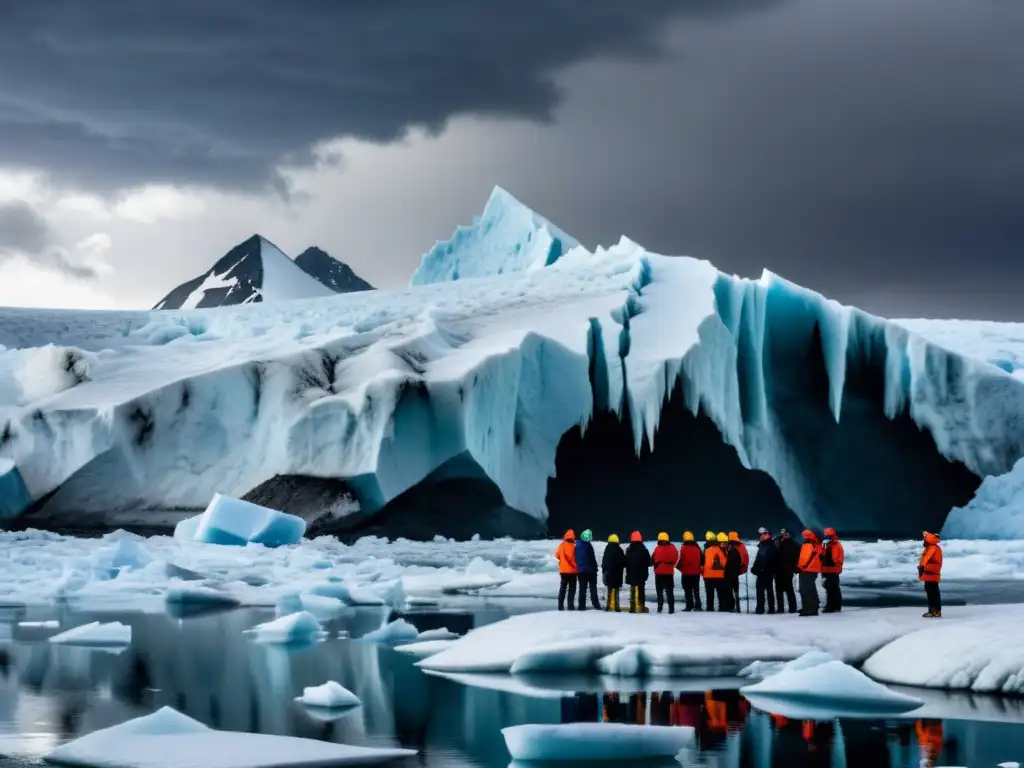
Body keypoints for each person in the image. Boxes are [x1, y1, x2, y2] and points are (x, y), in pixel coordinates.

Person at [751, 527, 778, 614]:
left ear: (769, 535)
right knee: (759, 591)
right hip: (761, 572)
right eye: (761, 535)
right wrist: (755, 568)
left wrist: (771, 570)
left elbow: (774, 560)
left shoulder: (772, 546)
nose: (762, 536)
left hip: (768, 572)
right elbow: (758, 558)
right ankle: (760, 608)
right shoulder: (761, 546)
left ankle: (771, 608)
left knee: (769, 590)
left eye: (764, 534)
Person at [796, 529, 822, 616]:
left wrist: (801, 567)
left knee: (805, 589)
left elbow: (806, 558)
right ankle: (812, 607)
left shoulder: (808, 545)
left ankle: (809, 608)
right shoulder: (816, 544)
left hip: (807, 570)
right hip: (812, 569)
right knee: (811, 589)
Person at [652, 532, 679, 613]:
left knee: (659, 591)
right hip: (669, 573)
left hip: (659, 573)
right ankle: (671, 609)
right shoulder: (673, 548)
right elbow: (676, 558)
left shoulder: (657, 549)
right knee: (669, 591)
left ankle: (660, 607)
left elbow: (652, 559)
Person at [625, 530, 651, 613]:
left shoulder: (629, 550)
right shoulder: (644, 550)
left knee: (633, 589)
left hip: (631, 574)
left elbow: (625, 562)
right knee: (641, 590)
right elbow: (649, 562)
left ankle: (632, 607)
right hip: (641, 574)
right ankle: (641, 606)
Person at [575, 529, 601, 610]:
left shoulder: (577, 546)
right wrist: (595, 568)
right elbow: (591, 559)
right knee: (593, 589)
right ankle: (596, 605)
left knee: (582, 589)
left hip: (581, 571)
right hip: (590, 571)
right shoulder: (588, 546)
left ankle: (581, 606)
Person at [774, 528, 799, 614]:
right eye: (784, 533)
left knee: (789, 589)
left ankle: (792, 608)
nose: (785, 535)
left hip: (788, 570)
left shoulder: (794, 545)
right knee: (778, 590)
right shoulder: (777, 543)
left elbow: (797, 558)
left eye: (787, 534)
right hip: (778, 569)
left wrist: (794, 567)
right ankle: (780, 608)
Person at [919, 531, 943, 618]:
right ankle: (936, 610)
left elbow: (926, 559)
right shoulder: (934, 547)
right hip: (932, 573)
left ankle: (934, 610)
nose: (923, 541)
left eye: (924, 540)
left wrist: (921, 567)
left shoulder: (932, 548)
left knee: (932, 591)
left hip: (931, 573)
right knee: (933, 590)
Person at [677, 531, 703, 611]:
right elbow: (702, 560)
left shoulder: (682, 548)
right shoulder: (698, 548)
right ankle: (698, 606)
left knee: (687, 590)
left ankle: (689, 606)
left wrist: (680, 568)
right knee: (696, 590)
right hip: (696, 573)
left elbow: (679, 561)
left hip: (686, 573)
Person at [821, 527, 845, 613]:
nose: (827, 537)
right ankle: (833, 606)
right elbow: (822, 556)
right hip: (826, 569)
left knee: (833, 588)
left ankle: (832, 606)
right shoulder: (825, 545)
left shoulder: (836, 545)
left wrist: (837, 566)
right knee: (830, 588)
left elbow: (839, 558)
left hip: (833, 569)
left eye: (828, 535)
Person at [602, 533, 626, 612]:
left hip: (609, 573)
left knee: (609, 590)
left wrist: (604, 572)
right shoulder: (619, 550)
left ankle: (608, 606)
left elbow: (604, 562)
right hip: (617, 574)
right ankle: (617, 606)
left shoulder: (607, 550)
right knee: (616, 591)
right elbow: (623, 562)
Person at [555, 529, 578, 610]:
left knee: (562, 589)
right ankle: (570, 605)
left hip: (563, 571)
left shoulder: (561, 545)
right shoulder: (575, 547)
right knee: (572, 589)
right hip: (572, 571)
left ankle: (560, 606)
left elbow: (557, 555)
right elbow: (577, 558)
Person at [728, 532, 749, 613]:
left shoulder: (728, 546)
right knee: (736, 590)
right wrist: (743, 569)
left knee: (729, 590)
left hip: (729, 572)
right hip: (736, 572)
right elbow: (745, 558)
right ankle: (737, 607)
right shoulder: (741, 546)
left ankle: (731, 607)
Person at [714, 532, 734, 611]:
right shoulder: (719, 551)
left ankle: (728, 607)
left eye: (726, 543)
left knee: (727, 592)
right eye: (723, 543)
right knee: (722, 593)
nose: (725, 544)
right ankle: (723, 607)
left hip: (727, 575)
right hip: (721, 575)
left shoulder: (728, 551)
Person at [702, 531, 718, 611]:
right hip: (719, 574)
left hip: (708, 573)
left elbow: (702, 560)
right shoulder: (719, 547)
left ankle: (710, 607)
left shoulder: (706, 548)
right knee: (720, 593)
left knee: (709, 593)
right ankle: (723, 606)